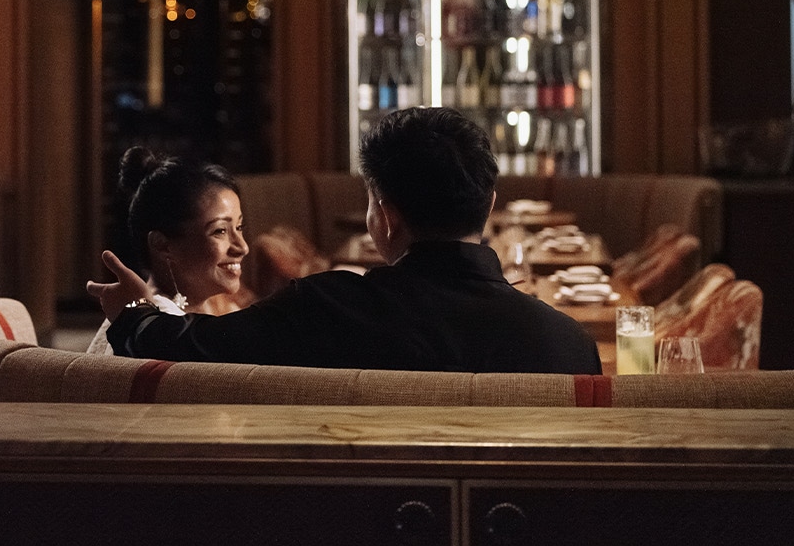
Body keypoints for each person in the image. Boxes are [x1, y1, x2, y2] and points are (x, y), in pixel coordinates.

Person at [88, 108, 601, 374]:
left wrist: (134, 314)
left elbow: (194, 350)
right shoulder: (565, 345)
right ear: (489, 206)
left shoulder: (327, 310)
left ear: (384, 216)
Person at [86, 147, 249, 357]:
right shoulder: (156, 332)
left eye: (239, 227)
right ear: (163, 245)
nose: (242, 247)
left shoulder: (215, 313)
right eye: (220, 231)